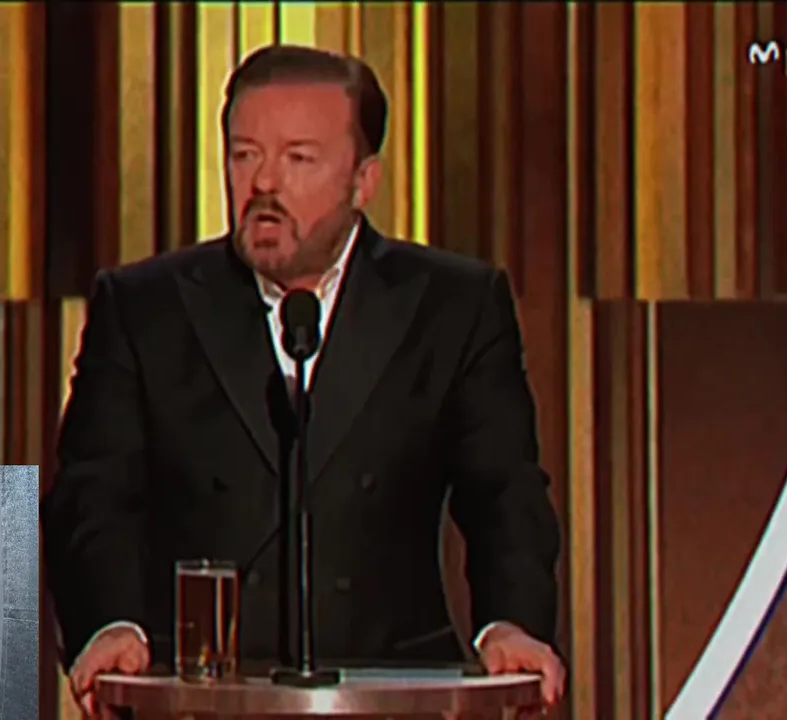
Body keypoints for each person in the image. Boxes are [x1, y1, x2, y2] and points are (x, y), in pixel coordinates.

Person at [41, 44, 566, 717]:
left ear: (363, 181)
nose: (263, 183)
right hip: (199, 695)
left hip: (391, 692)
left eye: (298, 159)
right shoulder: (144, 308)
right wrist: (110, 625)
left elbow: (504, 494)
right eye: (245, 155)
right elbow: (93, 498)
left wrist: (511, 625)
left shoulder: (455, 306)